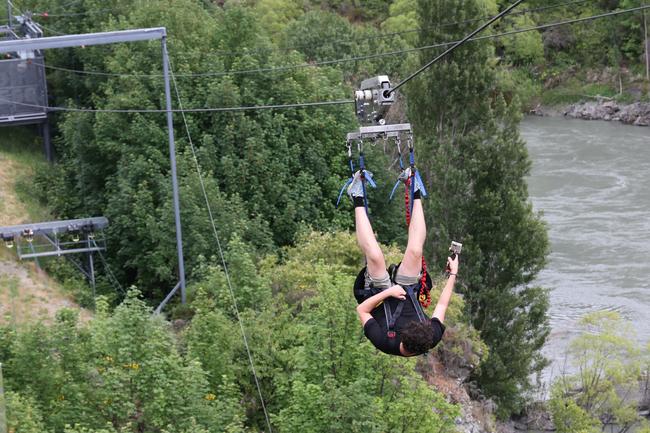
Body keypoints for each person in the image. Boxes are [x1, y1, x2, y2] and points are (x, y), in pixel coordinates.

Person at [349, 168, 459, 357]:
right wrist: (453, 274)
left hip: (378, 296)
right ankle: (413, 188)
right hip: (408, 290)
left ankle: (357, 195)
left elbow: (362, 310)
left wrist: (389, 292)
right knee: (416, 250)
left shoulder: (384, 340)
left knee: (375, 256)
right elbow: (441, 306)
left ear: (402, 339)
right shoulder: (430, 337)